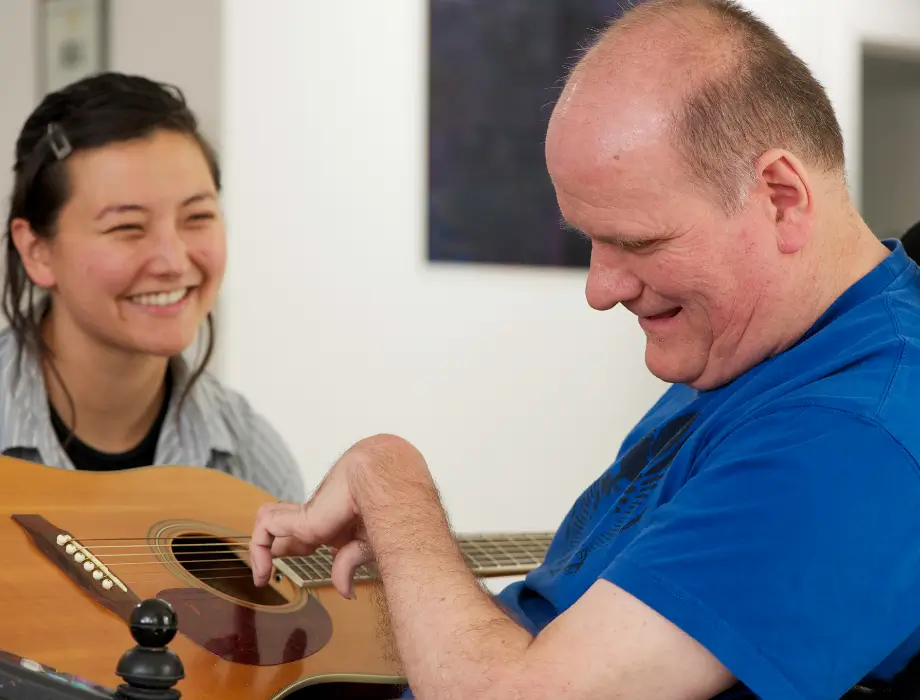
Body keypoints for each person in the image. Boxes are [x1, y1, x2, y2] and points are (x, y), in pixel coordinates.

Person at [249, 0, 920, 698]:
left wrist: (386, 476)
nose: (601, 291)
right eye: (589, 242)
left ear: (780, 197)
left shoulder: (854, 432)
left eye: (639, 242)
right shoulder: (754, 350)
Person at [1, 72, 304, 503]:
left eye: (197, 218)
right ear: (36, 251)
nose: (173, 261)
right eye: (127, 227)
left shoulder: (251, 461)